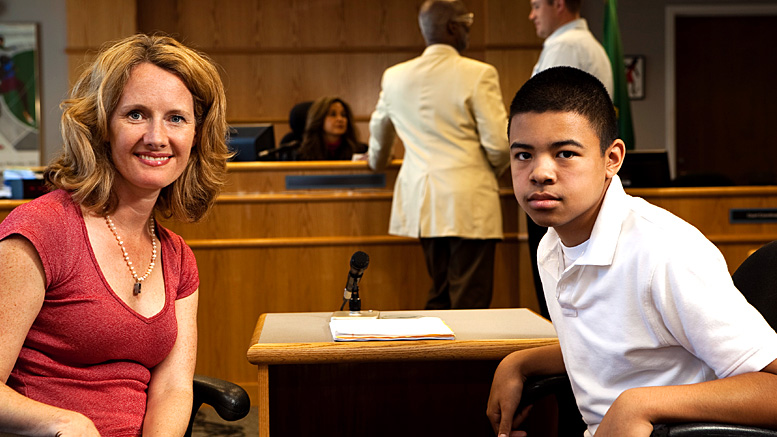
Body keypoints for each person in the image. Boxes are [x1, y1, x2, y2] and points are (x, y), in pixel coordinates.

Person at [486, 66, 777, 437]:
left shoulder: (663, 251)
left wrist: (640, 404)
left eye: (565, 154)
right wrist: (522, 362)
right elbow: (618, 347)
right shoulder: (552, 246)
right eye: (523, 155)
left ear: (613, 159)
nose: (540, 172)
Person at [0, 34, 230, 436]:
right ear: (102, 126)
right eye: (136, 114)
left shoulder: (178, 258)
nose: (157, 137)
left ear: (196, 136)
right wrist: (63, 422)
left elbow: (173, 389)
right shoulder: (41, 231)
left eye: (176, 117)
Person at [368, 0, 510, 310]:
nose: (469, 32)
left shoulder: (394, 76)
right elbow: (499, 145)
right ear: (451, 28)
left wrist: (374, 162)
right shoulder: (478, 73)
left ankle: (438, 358)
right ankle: (462, 360)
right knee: (470, 299)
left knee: (441, 292)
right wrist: (488, 170)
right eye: (466, 24)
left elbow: (378, 141)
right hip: (469, 200)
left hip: (422, 201)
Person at [526, 0, 614, 319]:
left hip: (568, 193)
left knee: (561, 315)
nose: (532, 15)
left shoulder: (565, 46)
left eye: (537, 5)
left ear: (559, 4)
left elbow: (542, 128)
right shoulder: (587, 45)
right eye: (522, 154)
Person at [296, 96, 366, 161]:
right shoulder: (300, 154)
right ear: (319, 119)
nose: (340, 119)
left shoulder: (360, 151)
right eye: (333, 114)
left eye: (343, 115)